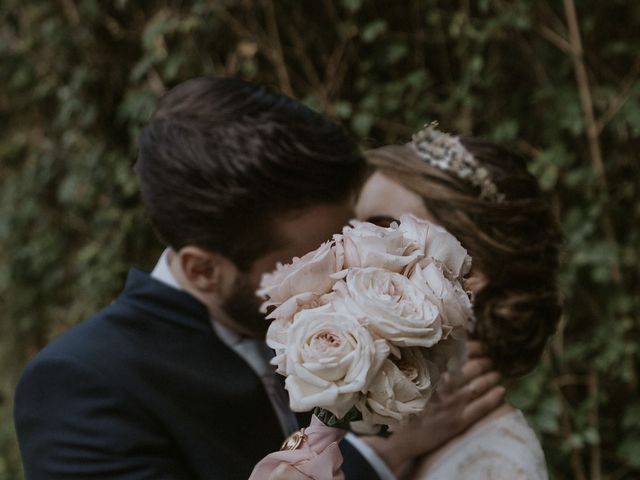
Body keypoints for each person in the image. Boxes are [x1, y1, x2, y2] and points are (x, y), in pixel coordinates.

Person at [13, 78, 503, 480]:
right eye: (314, 256)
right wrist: (377, 458)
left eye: (347, 238)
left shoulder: (366, 312)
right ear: (202, 269)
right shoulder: (83, 386)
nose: (350, 269)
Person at [356, 126, 562, 479]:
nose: (349, 252)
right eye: (352, 231)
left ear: (472, 269)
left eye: (382, 231)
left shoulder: (498, 467)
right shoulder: (370, 418)